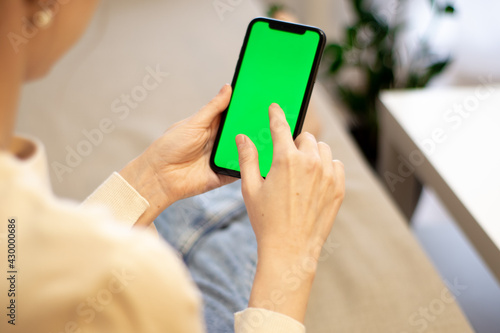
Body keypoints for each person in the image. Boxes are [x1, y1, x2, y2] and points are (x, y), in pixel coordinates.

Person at [0, 1, 345, 332]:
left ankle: (275, 163)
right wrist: (291, 258)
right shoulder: (147, 291)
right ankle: (299, 134)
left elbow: (43, 267)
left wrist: (152, 180)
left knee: (186, 218)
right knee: (223, 257)